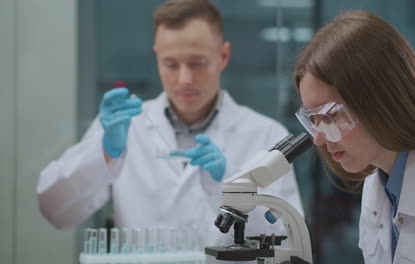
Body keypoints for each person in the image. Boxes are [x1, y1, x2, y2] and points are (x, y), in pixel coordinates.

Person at [37, 0, 303, 250]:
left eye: (197, 63)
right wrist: (104, 154)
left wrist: (231, 185)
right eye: (171, 64)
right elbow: (55, 210)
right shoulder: (126, 127)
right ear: (157, 59)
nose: (185, 79)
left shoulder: (265, 135)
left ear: (223, 56)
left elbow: (288, 240)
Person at [293, 10, 415, 264]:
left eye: (329, 117)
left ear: (379, 100)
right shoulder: (376, 186)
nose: (319, 139)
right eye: (313, 120)